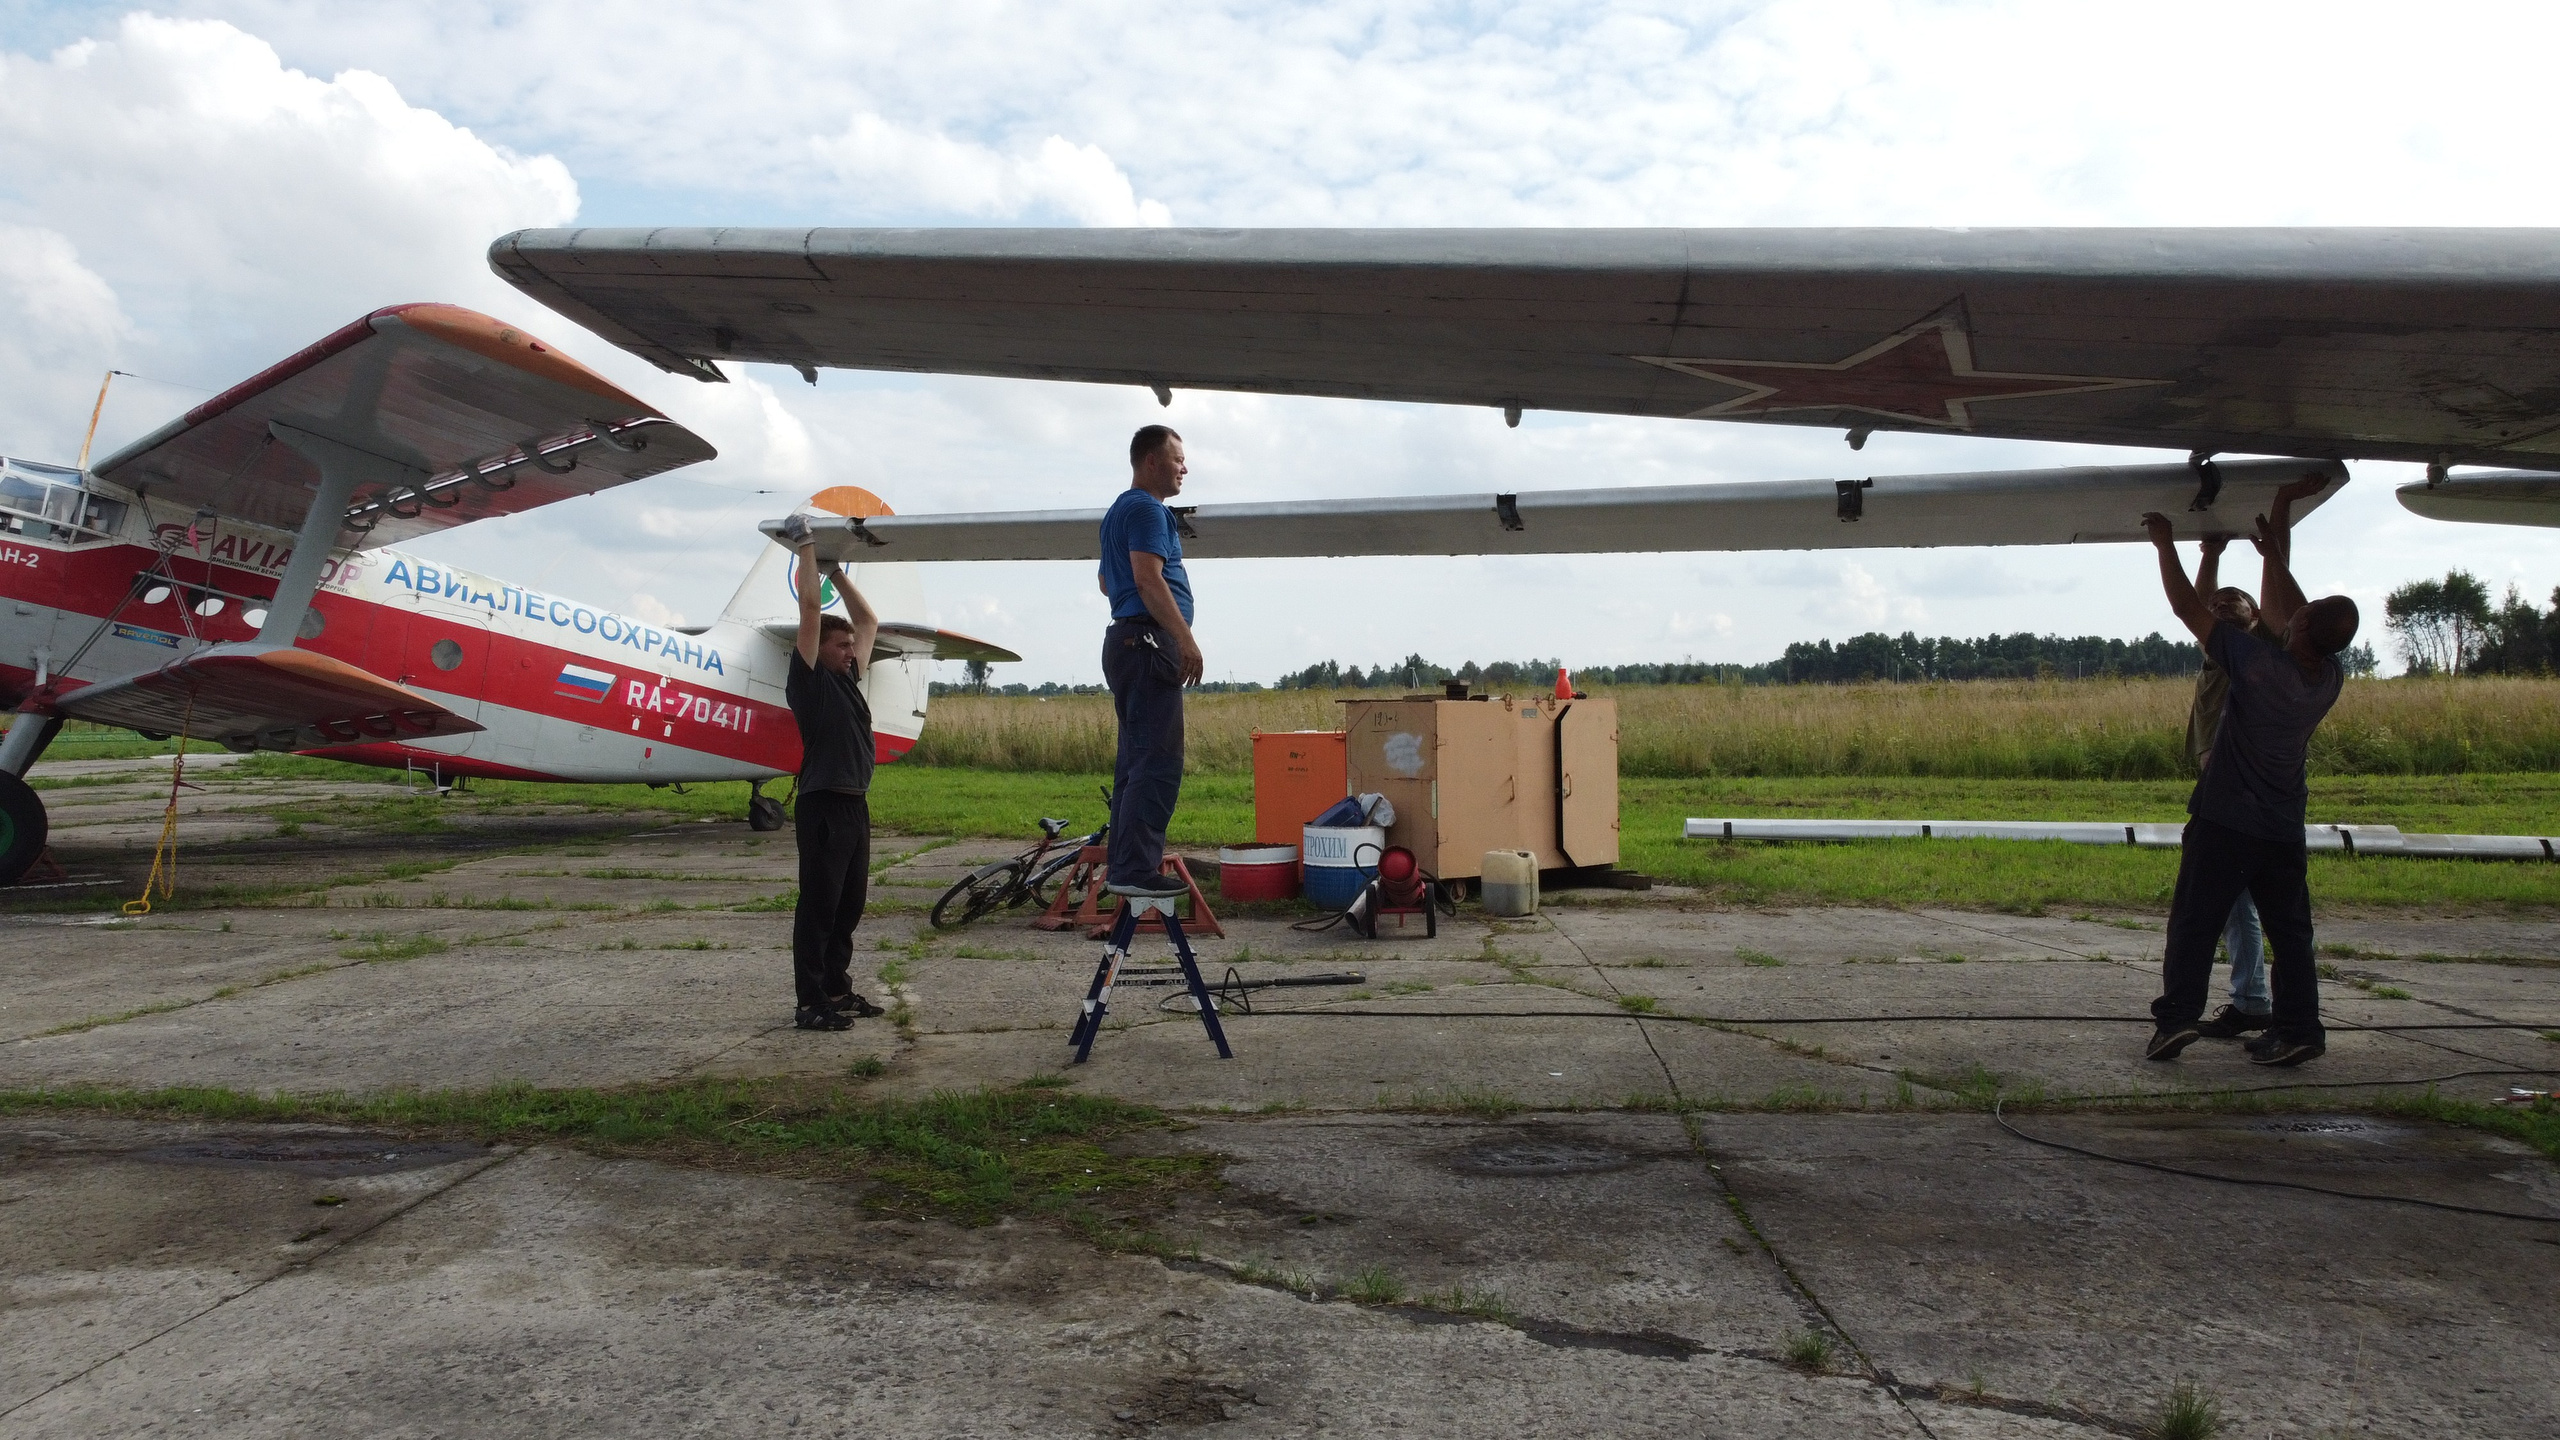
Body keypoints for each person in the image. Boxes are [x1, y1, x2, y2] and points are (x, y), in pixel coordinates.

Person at [2141, 474, 2359, 1068]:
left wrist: (2165, 544)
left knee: (2193, 922)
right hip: (2282, 824)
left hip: (2225, 819)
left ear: (2297, 628)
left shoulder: (2257, 665)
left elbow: (2187, 607)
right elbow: (2296, 608)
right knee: (2292, 934)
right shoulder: (2327, 678)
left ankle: (2176, 1020)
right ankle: (2300, 1030)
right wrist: (2278, 527)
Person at [782, 517, 885, 1031]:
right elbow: (808, 610)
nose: (851, 652)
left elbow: (868, 623)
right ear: (818, 650)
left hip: (854, 805)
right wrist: (806, 546)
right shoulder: (809, 682)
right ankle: (809, 1002)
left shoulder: (849, 679)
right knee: (819, 908)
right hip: (822, 804)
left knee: (849, 906)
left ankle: (837, 990)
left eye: (849, 648)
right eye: (839, 646)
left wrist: (839, 573)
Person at [1098, 425, 1203, 899]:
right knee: (1158, 762)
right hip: (1147, 642)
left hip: (1126, 641)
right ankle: (1137, 868)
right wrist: (1184, 639)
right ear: (1151, 462)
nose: (1185, 467)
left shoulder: (1118, 511)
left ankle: (1124, 864)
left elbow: (1107, 580)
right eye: (1178, 458)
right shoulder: (1147, 509)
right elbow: (1146, 578)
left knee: (1135, 764)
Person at [2185, 534, 2277, 1039]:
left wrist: (2257, 556)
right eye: (2218, 603)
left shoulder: (2251, 652)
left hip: (2236, 791)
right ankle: (2254, 999)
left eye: (2233, 602)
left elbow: (2193, 605)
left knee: (2236, 899)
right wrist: (2211, 557)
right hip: (2226, 786)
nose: (2219, 606)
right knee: (2242, 900)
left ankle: (2254, 1000)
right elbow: (2200, 605)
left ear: (2255, 615)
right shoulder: (2218, 651)